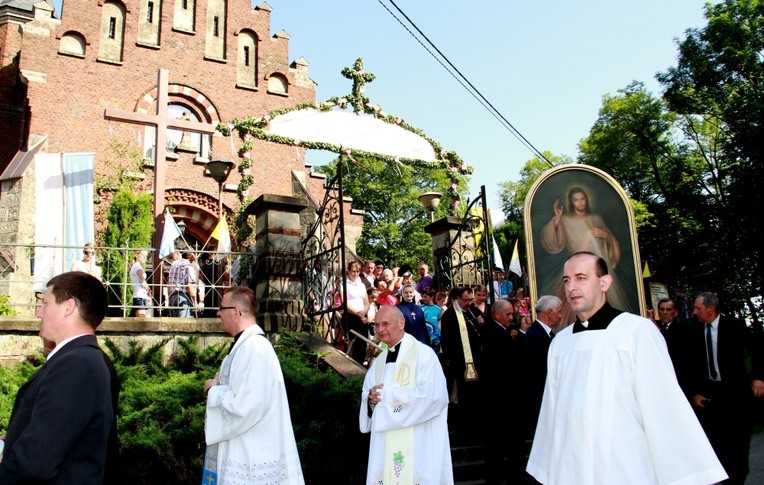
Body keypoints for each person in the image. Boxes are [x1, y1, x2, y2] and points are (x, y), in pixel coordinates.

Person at [526, 252, 727, 484]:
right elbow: (551, 412)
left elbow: (663, 406)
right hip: (571, 467)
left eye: (581, 277)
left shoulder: (636, 332)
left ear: (604, 283)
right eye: (566, 280)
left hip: (623, 466)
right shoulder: (560, 343)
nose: (571, 287)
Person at [0, 272, 119, 483]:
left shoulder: (77, 364)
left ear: (68, 307)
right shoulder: (80, 359)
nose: (39, 313)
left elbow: (35, 461)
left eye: (45, 304)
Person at [202, 286, 303, 484]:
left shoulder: (255, 348)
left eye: (222, 308)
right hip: (243, 444)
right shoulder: (243, 346)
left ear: (236, 312)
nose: (218, 313)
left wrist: (212, 390)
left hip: (253, 452)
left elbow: (245, 405)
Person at [359, 305, 453, 484]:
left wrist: (387, 397)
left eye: (385, 324)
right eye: (376, 325)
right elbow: (369, 399)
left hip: (419, 442)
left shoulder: (424, 355)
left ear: (401, 323)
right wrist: (371, 401)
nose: (380, 330)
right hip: (386, 444)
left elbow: (434, 398)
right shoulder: (377, 362)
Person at [685, 292, 764, 485]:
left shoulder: (734, 326)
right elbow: (689, 364)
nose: (694, 312)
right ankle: (725, 477)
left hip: (736, 392)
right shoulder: (694, 330)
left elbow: (758, 349)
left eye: (698, 308)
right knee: (718, 440)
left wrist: (758, 378)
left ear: (711, 309)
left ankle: (738, 476)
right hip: (711, 395)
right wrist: (694, 392)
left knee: (739, 438)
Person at [539, 186, 630, 325]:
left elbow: (609, 239)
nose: (580, 203)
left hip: (597, 268)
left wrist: (604, 235)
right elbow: (552, 240)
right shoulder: (566, 220)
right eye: (576, 200)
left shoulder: (596, 218)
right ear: (571, 202)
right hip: (577, 266)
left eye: (582, 199)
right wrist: (557, 218)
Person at [480, 299, 522, 484]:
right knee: (498, 446)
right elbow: (509, 364)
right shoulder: (495, 334)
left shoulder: (496, 331)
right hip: (500, 400)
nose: (511, 318)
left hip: (497, 399)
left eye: (512, 314)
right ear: (497, 315)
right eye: (508, 314)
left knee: (497, 446)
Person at [439, 286, 482, 430]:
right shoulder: (450, 315)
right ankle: (464, 423)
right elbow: (446, 340)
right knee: (462, 394)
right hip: (459, 360)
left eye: (471, 299)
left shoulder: (473, 311)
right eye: (466, 300)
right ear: (457, 298)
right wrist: (451, 359)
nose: (469, 303)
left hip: (475, 359)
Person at [521, 295, 562, 441]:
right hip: (539, 398)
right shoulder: (535, 336)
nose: (560, 315)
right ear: (550, 312)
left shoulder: (545, 334)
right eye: (559, 311)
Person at [656, 297, 689, 389]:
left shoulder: (684, 330)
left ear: (675, 313)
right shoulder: (653, 327)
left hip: (679, 379)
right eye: (662, 309)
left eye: (669, 309)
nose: (665, 313)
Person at [342, 261, 371, 365]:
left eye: (358, 271)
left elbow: (367, 302)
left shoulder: (362, 285)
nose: (356, 274)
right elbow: (345, 302)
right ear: (348, 271)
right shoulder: (344, 284)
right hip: (351, 316)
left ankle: (359, 366)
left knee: (362, 343)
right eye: (353, 271)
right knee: (352, 343)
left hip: (362, 316)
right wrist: (358, 313)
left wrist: (363, 312)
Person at [167, 251, 197, 317]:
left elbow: (169, 284)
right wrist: (195, 301)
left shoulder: (173, 267)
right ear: (191, 256)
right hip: (184, 297)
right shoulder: (188, 267)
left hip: (174, 296)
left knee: (177, 323)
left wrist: (169, 299)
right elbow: (189, 286)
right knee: (185, 324)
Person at [129, 250, 150, 316]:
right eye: (143, 255)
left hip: (140, 295)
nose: (144, 258)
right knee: (142, 319)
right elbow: (143, 282)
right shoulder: (137, 267)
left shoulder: (135, 266)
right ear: (137, 256)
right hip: (140, 296)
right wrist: (149, 292)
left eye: (146, 256)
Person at [420, 288, 442, 352]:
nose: (423, 298)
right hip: (424, 338)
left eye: (425, 297)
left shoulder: (438, 309)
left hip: (436, 338)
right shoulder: (420, 308)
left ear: (432, 297)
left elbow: (439, 323)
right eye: (422, 297)